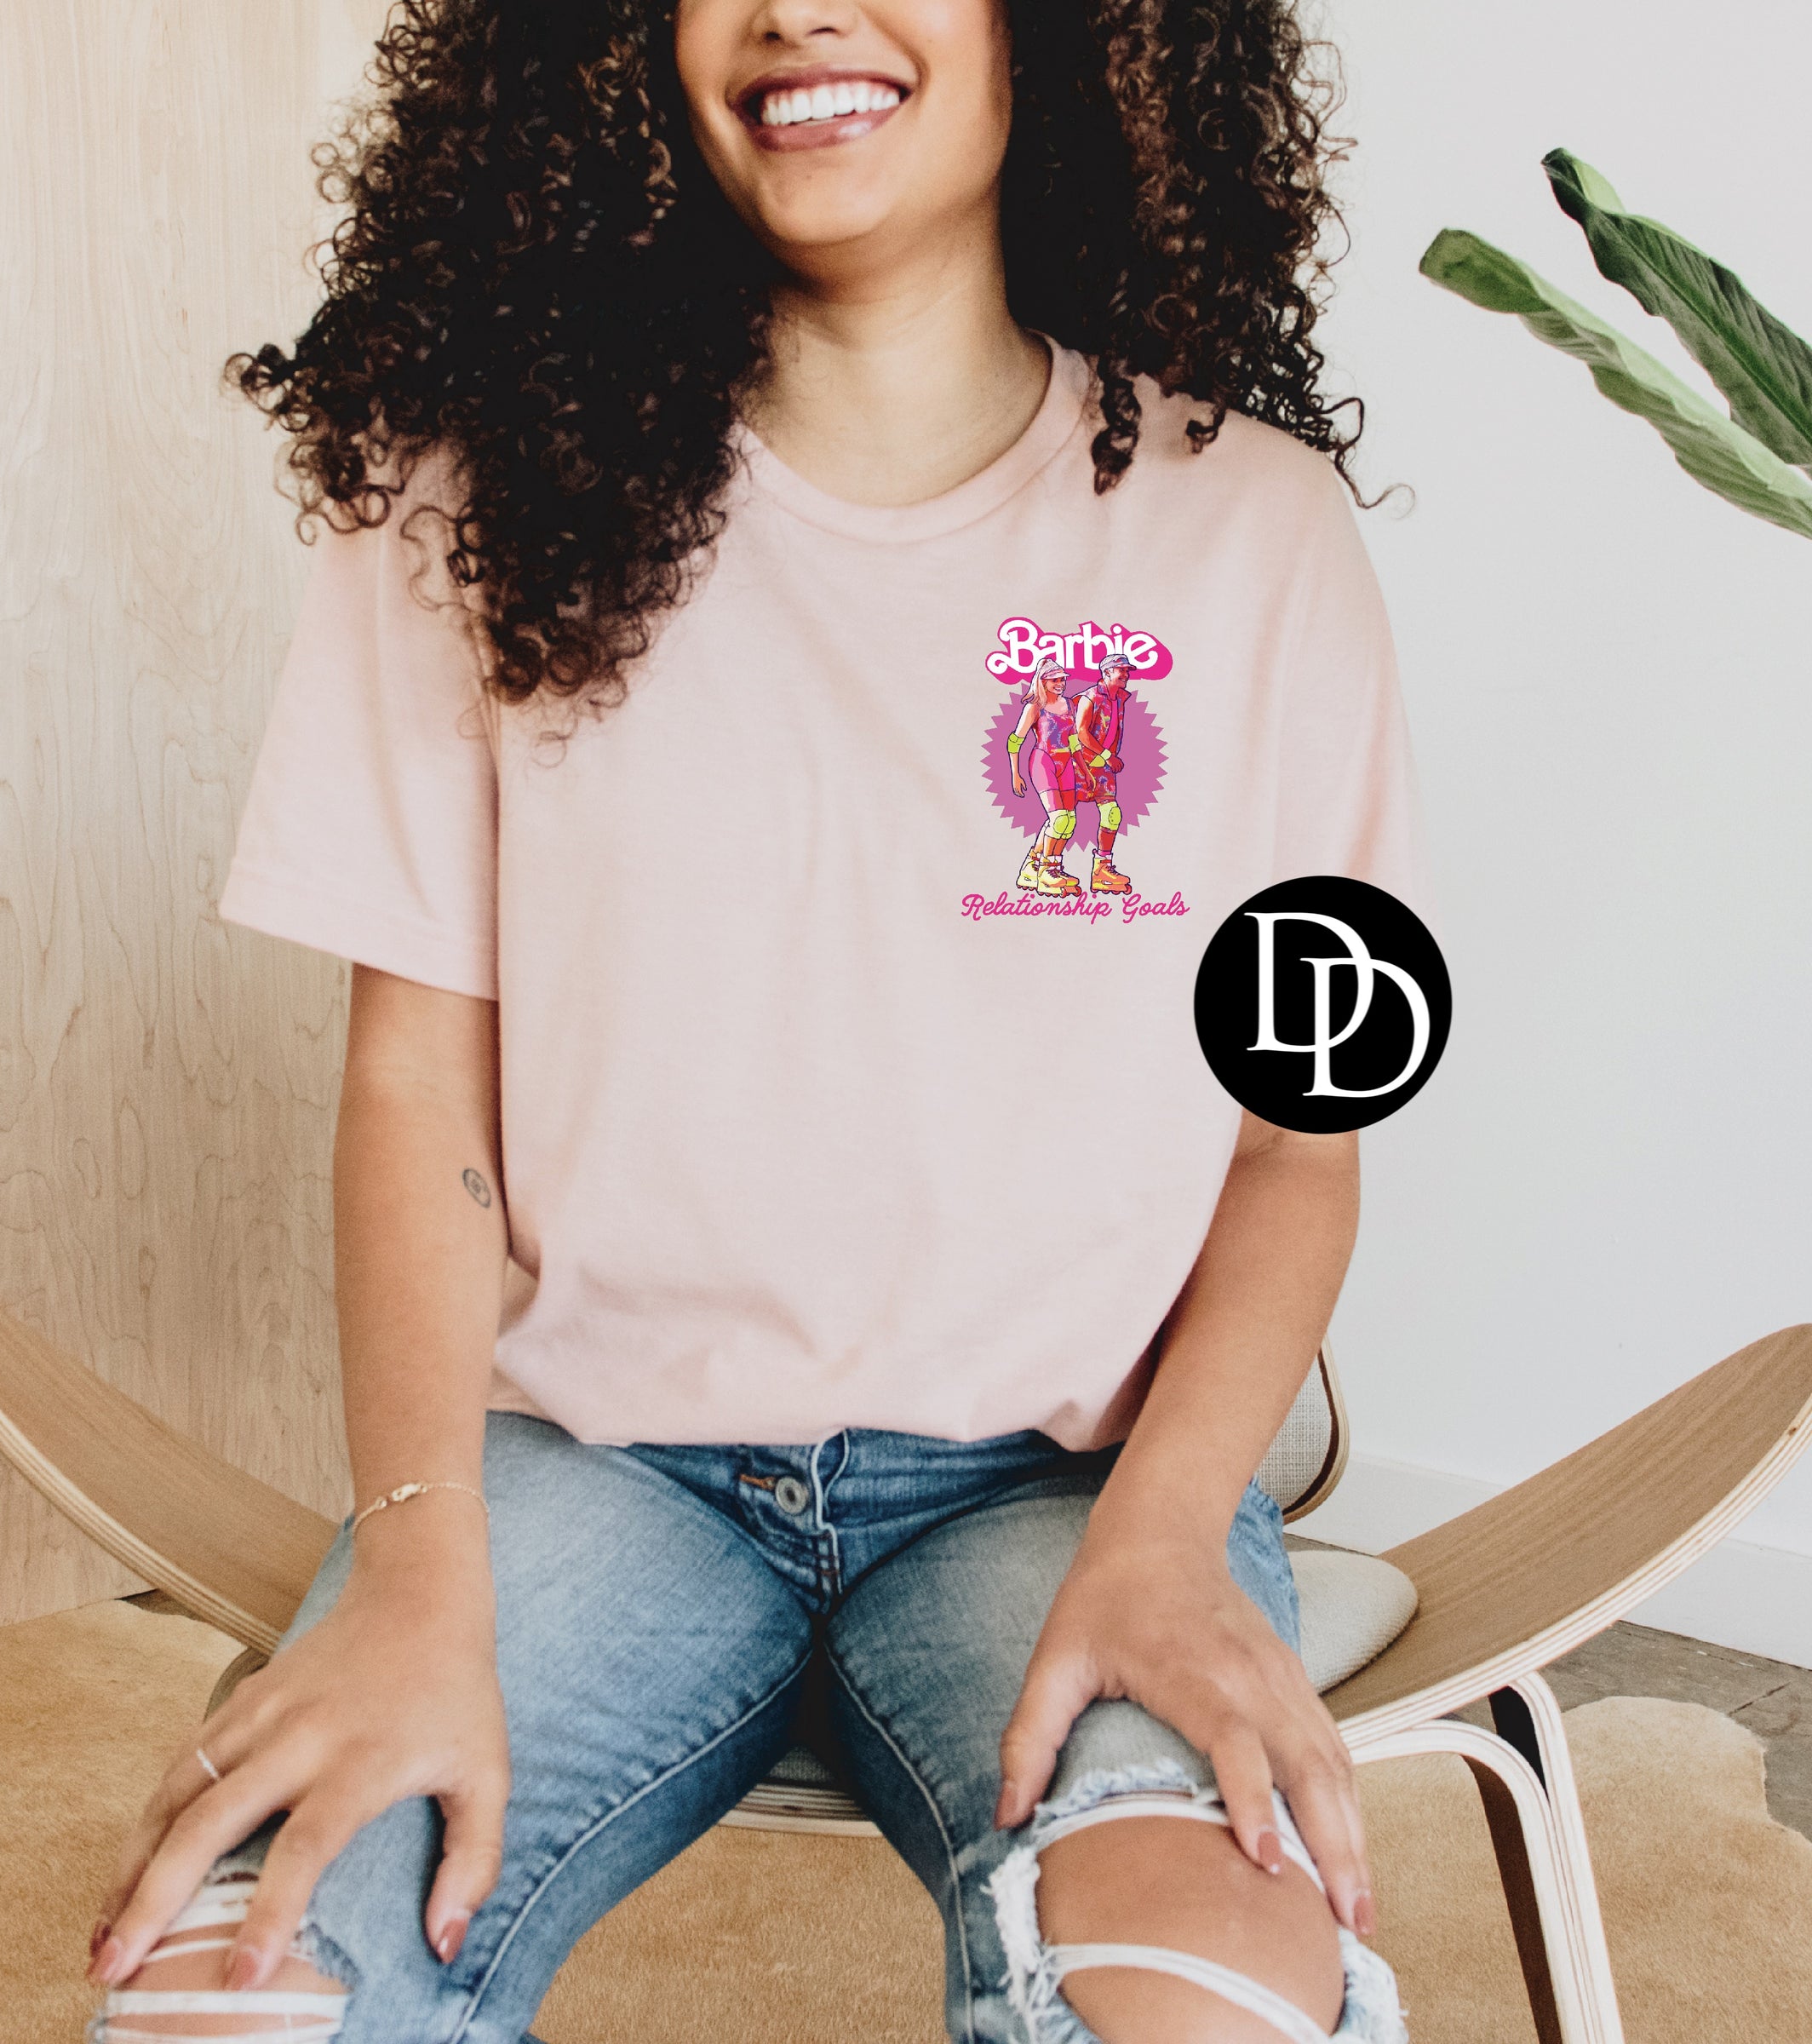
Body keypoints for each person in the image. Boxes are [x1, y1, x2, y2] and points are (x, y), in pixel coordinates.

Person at [84, 3, 1431, 2040]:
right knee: (228, 2002)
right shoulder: (469, 507)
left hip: (1072, 1480)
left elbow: (1293, 1143)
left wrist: (1170, 1533)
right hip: (605, 1470)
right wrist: (417, 1570)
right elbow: (417, 1091)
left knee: (1193, 1996)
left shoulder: (1256, 529)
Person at [1008, 657, 1089, 899]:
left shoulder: (1069, 705)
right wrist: (1015, 774)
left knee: (1068, 821)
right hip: (1044, 763)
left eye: (1062, 679)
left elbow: (1073, 740)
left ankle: (1033, 867)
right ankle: (1048, 870)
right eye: (1055, 680)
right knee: (1059, 819)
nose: (1060, 684)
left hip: (1067, 765)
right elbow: (1015, 741)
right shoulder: (1034, 708)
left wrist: (1084, 770)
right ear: (1043, 682)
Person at [1072, 651, 1136, 895]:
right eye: (1122, 670)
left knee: (1112, 814)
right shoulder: (1090, 697)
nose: (1126, 675)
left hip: (1104, 769)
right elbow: (1081, 731)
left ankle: (1102, 870)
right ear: (1107, 672)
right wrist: (1108, 755)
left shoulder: (1119, 699)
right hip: (1078, 765)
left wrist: (1108, 759)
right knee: (1062, 817)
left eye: (1127, 671)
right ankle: (1039, 862)